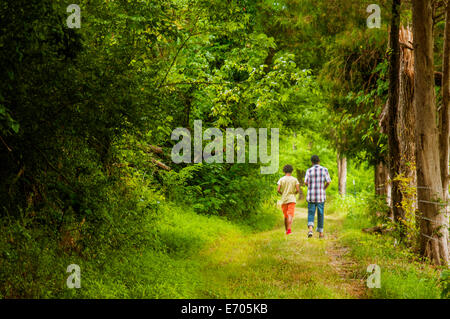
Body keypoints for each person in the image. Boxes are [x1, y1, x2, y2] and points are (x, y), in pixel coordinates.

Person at [304, 155, 331, 238]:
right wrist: (323, 188)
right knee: (320, 214)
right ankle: (321, 233)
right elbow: (328, 182)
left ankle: (310, 230)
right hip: (320, 196)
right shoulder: (324, 169)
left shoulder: (309, 170)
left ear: (312, 162)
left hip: (311, 196)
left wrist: (311, 186)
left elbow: (305, 182)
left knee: (311, 213)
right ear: (319, 161)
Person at [277, 164, 300, 235]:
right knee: (290, 215)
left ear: (284, 171)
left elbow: (278, 190)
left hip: (284, 199)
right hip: (292, 199)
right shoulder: (294, 179)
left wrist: (282, 193)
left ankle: (286, 230)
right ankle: (289, 231)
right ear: (291, 171)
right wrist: (294, 193)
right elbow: (298, 190)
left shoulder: (281, 179)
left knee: (286, 216)